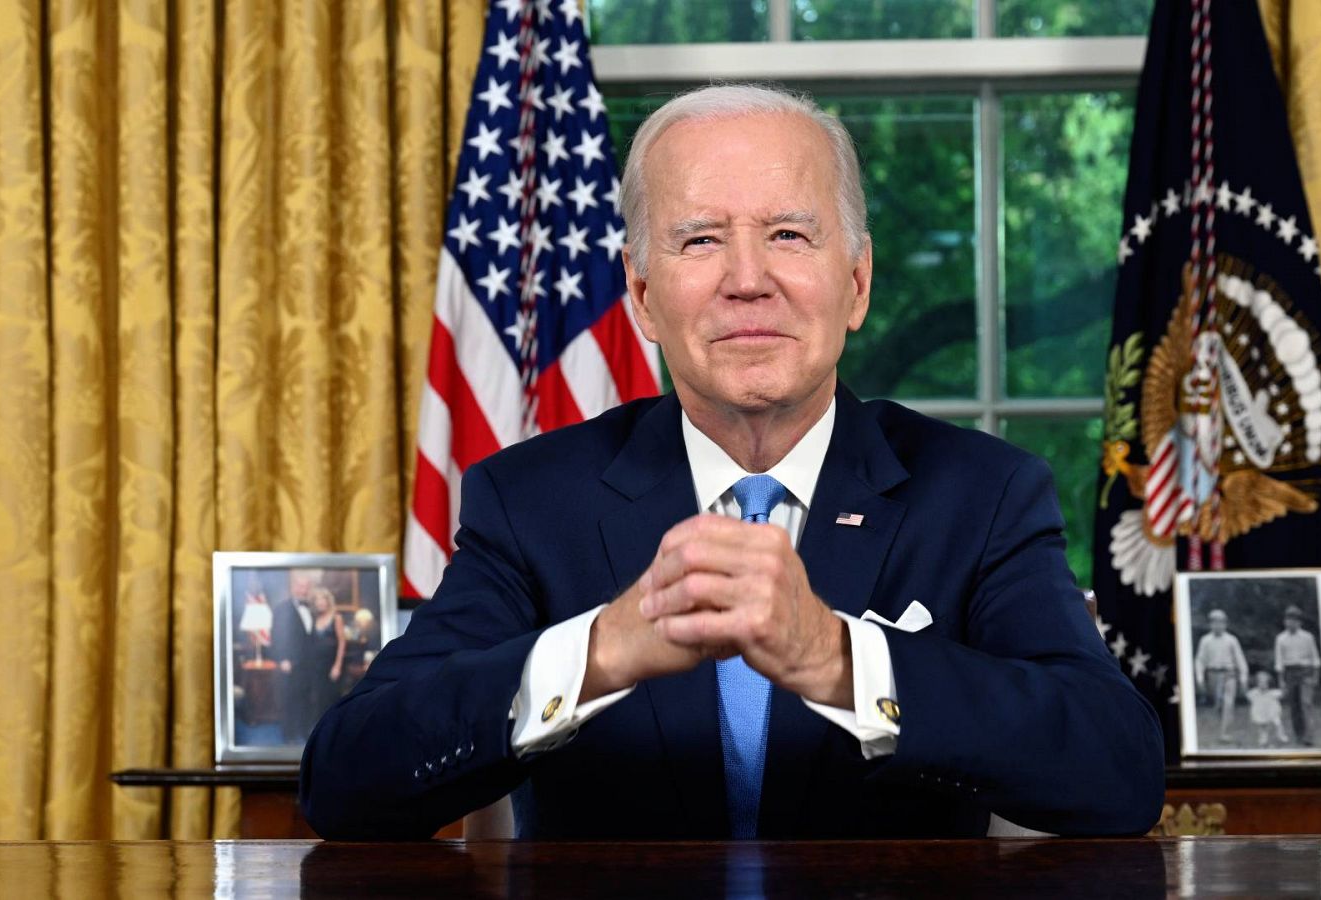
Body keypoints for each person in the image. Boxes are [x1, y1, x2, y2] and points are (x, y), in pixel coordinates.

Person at [298, 84, 1164, 840]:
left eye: (789, 234)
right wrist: (600, 652)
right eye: (701, 240)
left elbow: (1117, 774)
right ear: (641, 294)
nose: (748, 280)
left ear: (856, 284)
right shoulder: (530, 501)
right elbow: (345, 784)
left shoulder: (982, 494)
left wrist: (837, 659)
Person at [271, 568, 322, 743]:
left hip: (308, 664)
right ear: (293, 587)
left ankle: (303, 731)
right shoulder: (282, 608)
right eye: (300, 587)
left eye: (306, 587)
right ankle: (289, 735)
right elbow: (276, 636)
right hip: (290, 664)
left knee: (306, 699)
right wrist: (282, 659)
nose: (303, 590)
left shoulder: (311, 608)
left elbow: (310, 638)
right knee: (289, 699)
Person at [1194, 608, 1248, 744]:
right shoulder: (1205, 640)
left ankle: (1225, 733)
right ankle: (1221, 728)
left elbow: (1240, 659)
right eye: (1214, 622)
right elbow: (1200, 660)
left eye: (1220, 622)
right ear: (1210, 624)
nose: (1218, 625)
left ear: (1225, 624)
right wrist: (1200, 678)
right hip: (1213, 674)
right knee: (1218, 705)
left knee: (1228, 704)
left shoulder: (1231, 640)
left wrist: (1243, 677)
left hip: (1229, 674)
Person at [1272, 606, 1321, 745]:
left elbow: (1315, 658)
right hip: (1290, 673)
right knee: (1294, 706)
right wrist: (1281, 680)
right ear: (1285, 621)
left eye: (1294, 620)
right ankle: (1299, 734)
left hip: (1305, 672)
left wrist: (1315, 676)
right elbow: (1279, 661)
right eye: (1288, 620)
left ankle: (1309, 736)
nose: (1291, 623)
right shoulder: (1280, 639)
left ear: (1300, 622)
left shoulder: (1307, 637)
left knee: (1306, 703)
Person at [303, 587, 347, 727]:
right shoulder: (315, 618)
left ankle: (333, 728)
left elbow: (342, 642)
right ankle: (319, 729)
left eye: (323, 599)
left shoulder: (336, 617)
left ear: (328, 601)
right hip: (316, 665)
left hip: (331, 664)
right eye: (317, 600)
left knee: (331, 698)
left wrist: (337, 666)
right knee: (317, 698)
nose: (320, 603)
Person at [1246, 670, 1288, 747]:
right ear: (1257, 683)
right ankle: (1263, 739)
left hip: (1272, 712)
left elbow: (1283, 694)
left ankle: (1281, 736)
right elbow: (1247, 695)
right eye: (1260, 683)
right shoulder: (1254, 693)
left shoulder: (1272, 693)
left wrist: (1283, 685)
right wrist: (1243, 682)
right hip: (1261, 713)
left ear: (1268, 684)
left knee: (1277, 723)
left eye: (1265, 683)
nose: (1262, 685)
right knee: (1262, 726)